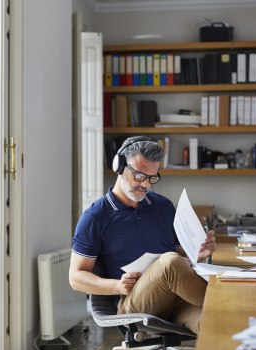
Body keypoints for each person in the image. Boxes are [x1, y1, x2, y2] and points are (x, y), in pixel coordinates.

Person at [69, 136, 216, 334]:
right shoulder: (95, 217)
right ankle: (231, 303)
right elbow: (76, 278)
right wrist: (117, 286)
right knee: (169, 262)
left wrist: (197, 252)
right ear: (119, 166)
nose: (145, 185)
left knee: (217, 322)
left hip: (177, 301)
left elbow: (181, 254)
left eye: (152, 178)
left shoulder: (163, 206)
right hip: (136, 305)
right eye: (139, 176)